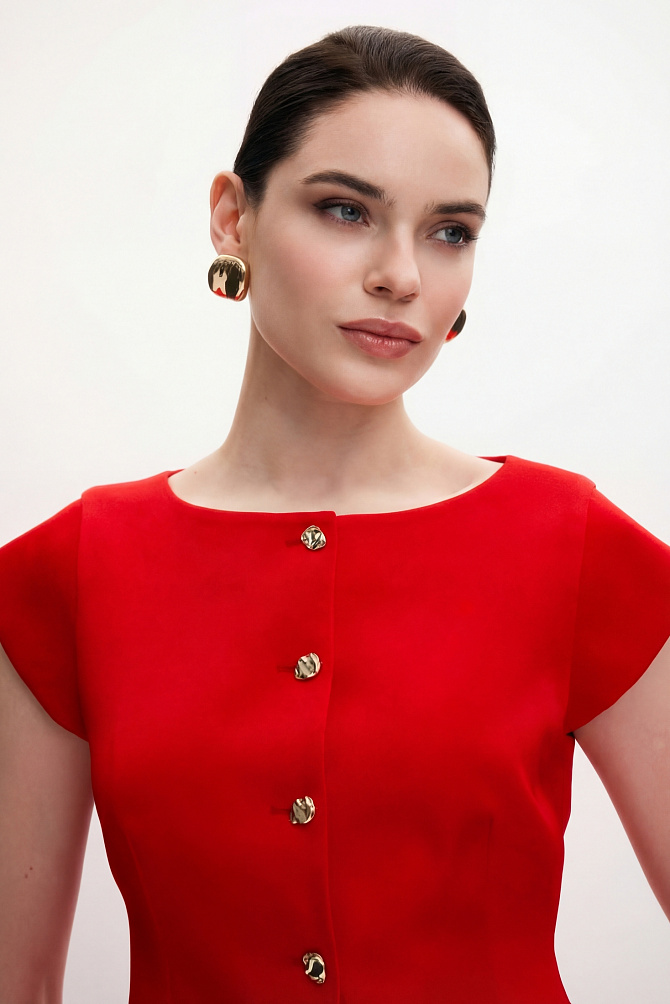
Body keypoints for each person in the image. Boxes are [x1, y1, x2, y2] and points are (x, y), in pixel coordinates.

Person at [0, 23, 669, 1004]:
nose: (402, 274)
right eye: (345, 210)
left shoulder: (572, 545)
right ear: (232, 217)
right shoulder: (64, 574)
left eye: (450, 231)